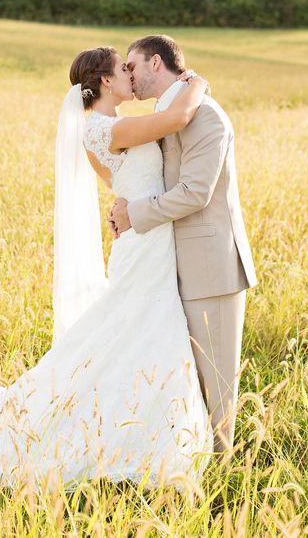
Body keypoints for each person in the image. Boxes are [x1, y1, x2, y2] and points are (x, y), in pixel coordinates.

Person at [0, 46, 214, 489]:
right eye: (124, 70)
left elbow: (117, 182)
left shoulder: (103, 129)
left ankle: (149, 430)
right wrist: (194, 81)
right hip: (143, 246)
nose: (131, 77)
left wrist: (128, 203)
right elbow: (176, 119)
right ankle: (145, 437)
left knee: (131, 330)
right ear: (105, 81)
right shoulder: (107, 128)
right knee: (138, 326)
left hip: (145, 239)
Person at [110, 35, 257, 454]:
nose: (129, 75)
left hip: (211, 268)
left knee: (217, 386)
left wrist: (133, 214)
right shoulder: (168, 115)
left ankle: (223, 478)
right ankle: (188, 465)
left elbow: (195, 192)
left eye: (133, 65)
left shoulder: (206, 116)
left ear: (156, 63)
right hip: (169, 267)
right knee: (185, 381)